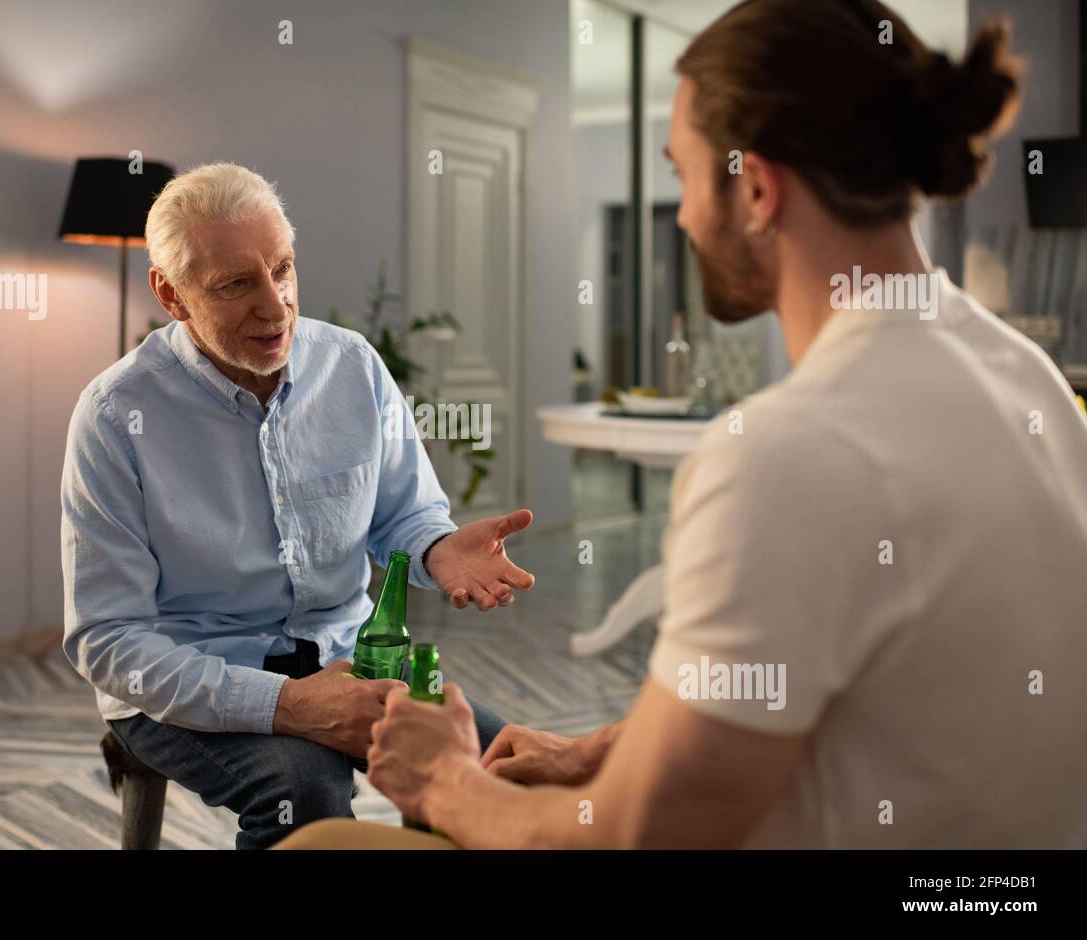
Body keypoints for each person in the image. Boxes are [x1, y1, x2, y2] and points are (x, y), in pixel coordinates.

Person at [279, 0, 1087, 850]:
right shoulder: (1024, 377)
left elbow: (635, 835)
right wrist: (601, 754)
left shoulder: (790, 455)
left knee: (326, 845)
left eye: (686, 176)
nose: (685, 217)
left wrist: (444, 780)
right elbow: (862, 683)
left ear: (757, 188)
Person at [60, 161, 535, 849]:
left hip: (350, 656)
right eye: (236, 285)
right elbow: (108, 639)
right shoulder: (113, 416)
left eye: (282, 269)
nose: (276, 305)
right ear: (171, 293)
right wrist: (287, 705)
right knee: (304, 789)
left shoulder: (353, 366)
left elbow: (405, 515)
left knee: (505, 768)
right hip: (189, 678)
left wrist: (437, 547)